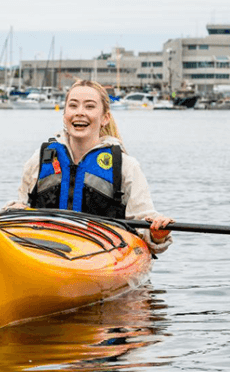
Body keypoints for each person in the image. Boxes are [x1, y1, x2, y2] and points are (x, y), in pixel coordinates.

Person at [12, 80, 173, 252]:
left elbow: (143, 223)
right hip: (44, 249)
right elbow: (22, 205)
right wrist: (14, 209)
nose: (80, 113)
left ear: (105, 118)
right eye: (73, 106)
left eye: (89, 107)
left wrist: (157, 234)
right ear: (64, 114)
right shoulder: (40, 158)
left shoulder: (125, 166)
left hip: (101, 253)